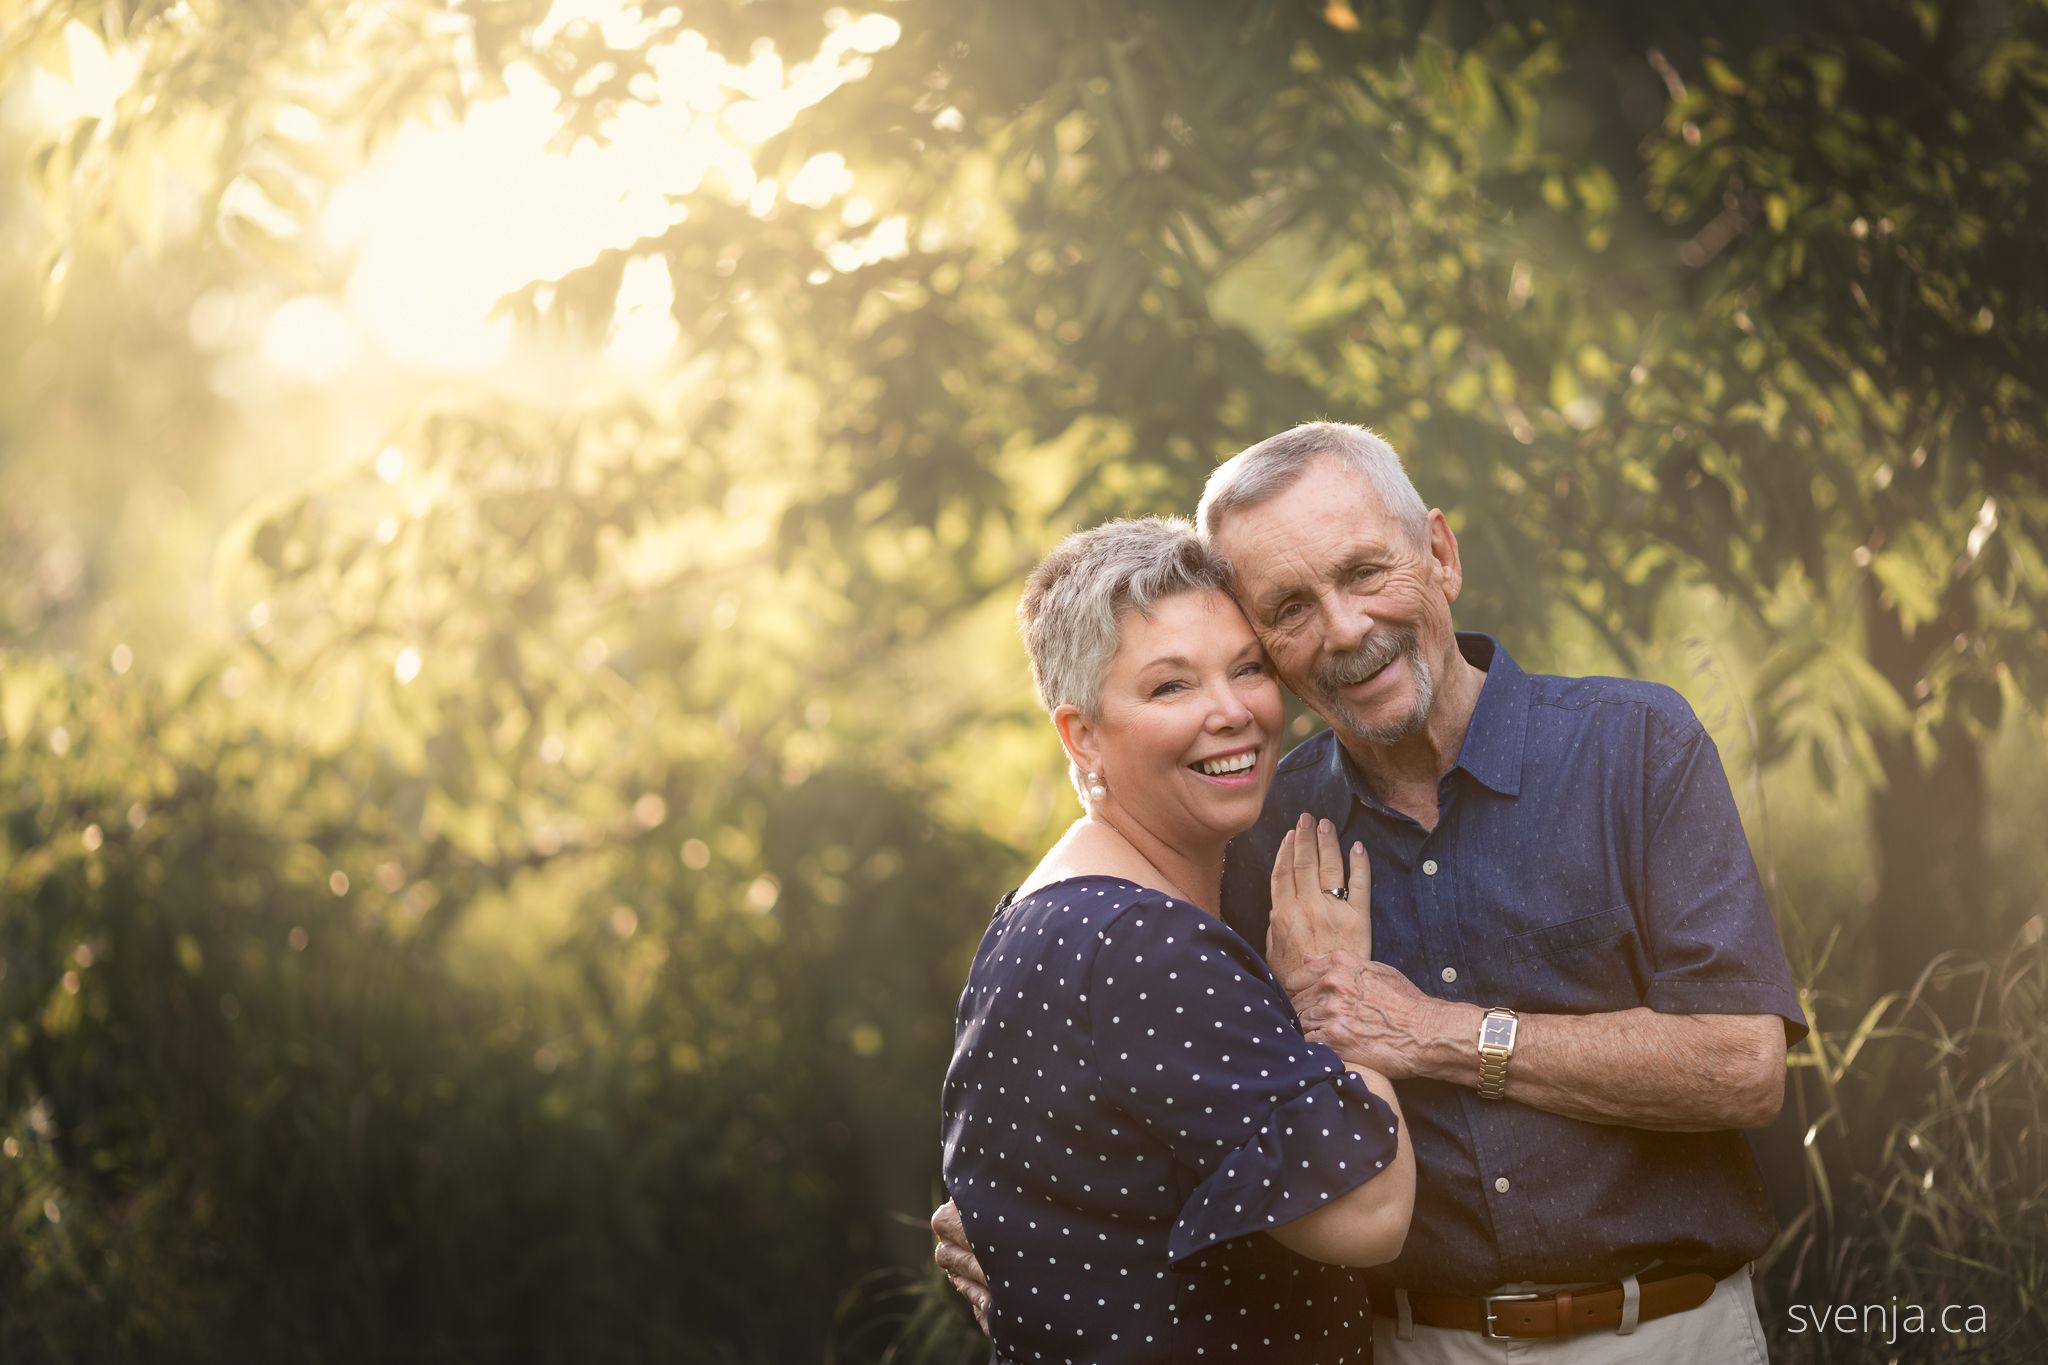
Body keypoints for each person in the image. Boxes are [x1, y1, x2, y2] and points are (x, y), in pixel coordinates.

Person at [938, 424, 1804, 1363]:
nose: (1345, 628)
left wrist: (1435, 1033)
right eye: (1291, 608)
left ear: (1440, 552)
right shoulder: (1249, 822)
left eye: (1363, 572)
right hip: (1402, 1343)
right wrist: (1036, 1225)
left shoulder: (1633, 747)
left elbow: (1743, 1067)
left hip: (1666, 1333)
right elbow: (1152, 1064)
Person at [938, 516, 1416, 1363]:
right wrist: (1335, 988)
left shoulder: (1058, 910)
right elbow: (1370, 1211)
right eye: (1170, 687)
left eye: (1247, 668)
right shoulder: (1136, 943)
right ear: (1081, 735)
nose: (1231, 712)